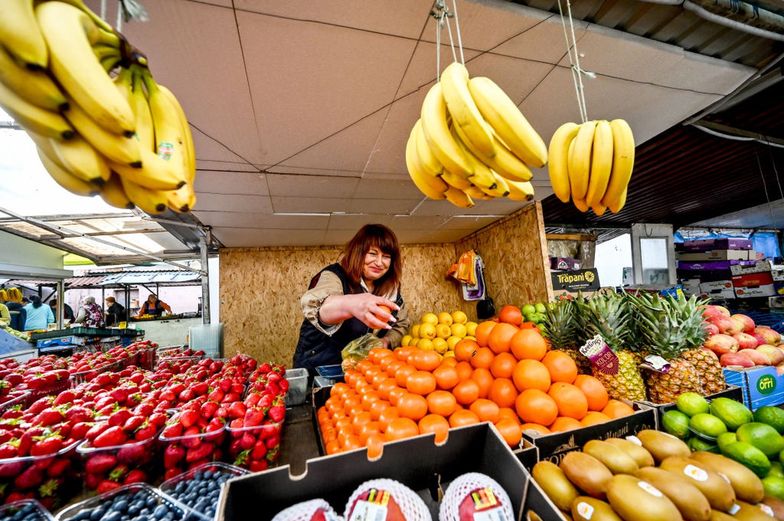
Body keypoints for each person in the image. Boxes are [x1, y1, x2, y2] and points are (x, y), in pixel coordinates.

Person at [293, 224, 411, 371]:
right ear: (358, 253)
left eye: (386, 256)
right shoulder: (334, 276)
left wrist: (385, 342)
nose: (379, 262)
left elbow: (401, 323)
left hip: (359, 372)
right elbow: (320, 308)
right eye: (373, 254)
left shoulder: (390, 288)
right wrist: (350, 304)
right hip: (320, 369)